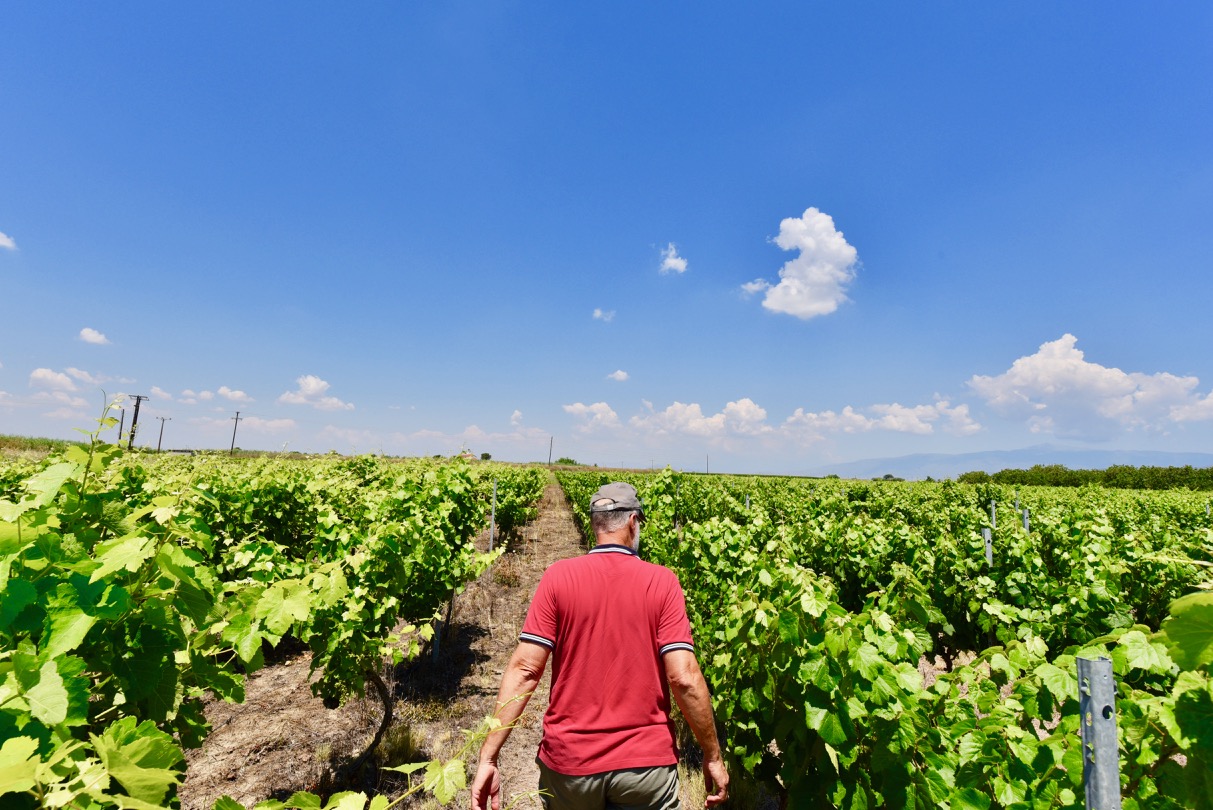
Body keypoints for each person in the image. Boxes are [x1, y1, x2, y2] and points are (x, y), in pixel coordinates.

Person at [470, 482, 728, 810]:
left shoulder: (558, 577)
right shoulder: (662, 582)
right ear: (634, 523)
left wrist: (488, 758)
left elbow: (525, 670)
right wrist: (712, 755)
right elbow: (685, 678)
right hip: (644, 767)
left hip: (570, 765)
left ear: (595, 524)